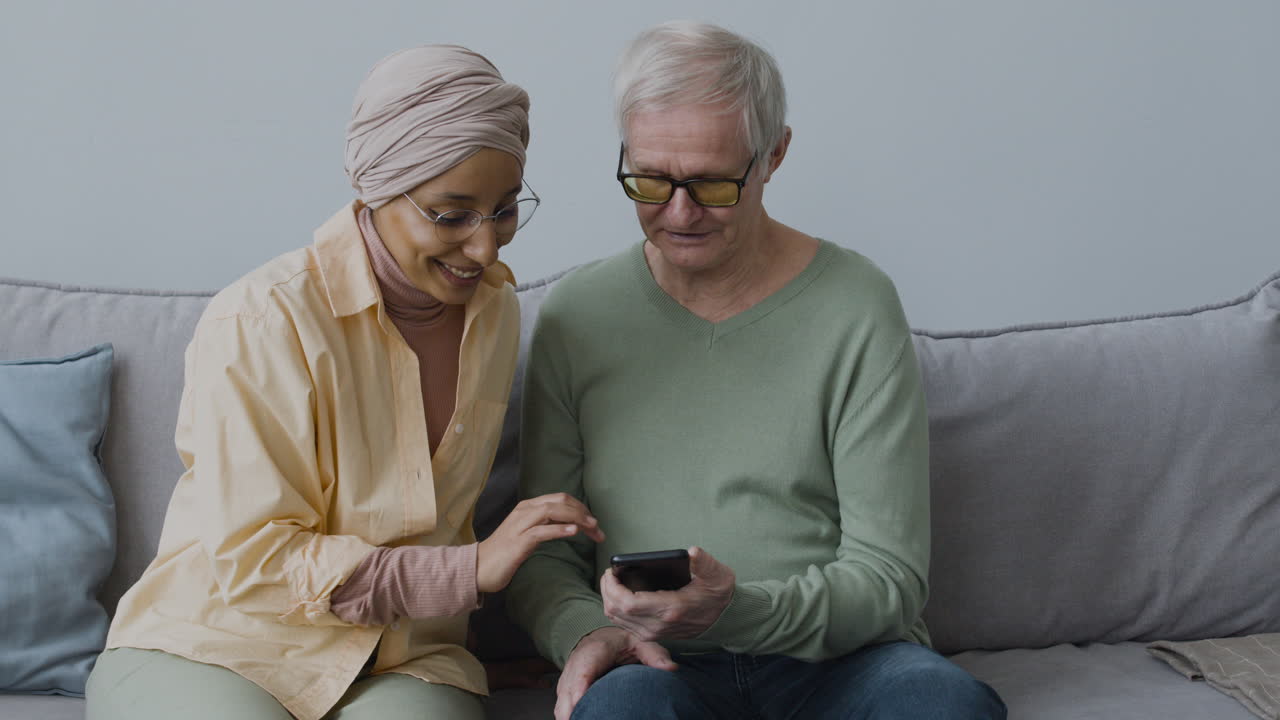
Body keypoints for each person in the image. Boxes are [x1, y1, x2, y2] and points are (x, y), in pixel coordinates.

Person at [507, 21, 1007, 720]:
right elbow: (542, 550)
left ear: (774, 155)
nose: (677, 213)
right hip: (655, 662)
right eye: (650, 179)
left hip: (842, 663)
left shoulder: (855, 305)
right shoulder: (578, 316)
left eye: (712, 184)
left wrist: (731, 612)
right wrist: (585, 631)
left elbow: (890, 578)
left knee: (940, 705)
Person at [85, 45, 602, 720]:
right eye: (452, 215)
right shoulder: (262, 320)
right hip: (218, 645)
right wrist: (468, 572)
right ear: (377, 189)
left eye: (504, 210)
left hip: (405, 661)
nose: (486, 248)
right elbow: (259, 563)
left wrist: (474, 644)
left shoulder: (497, 312)